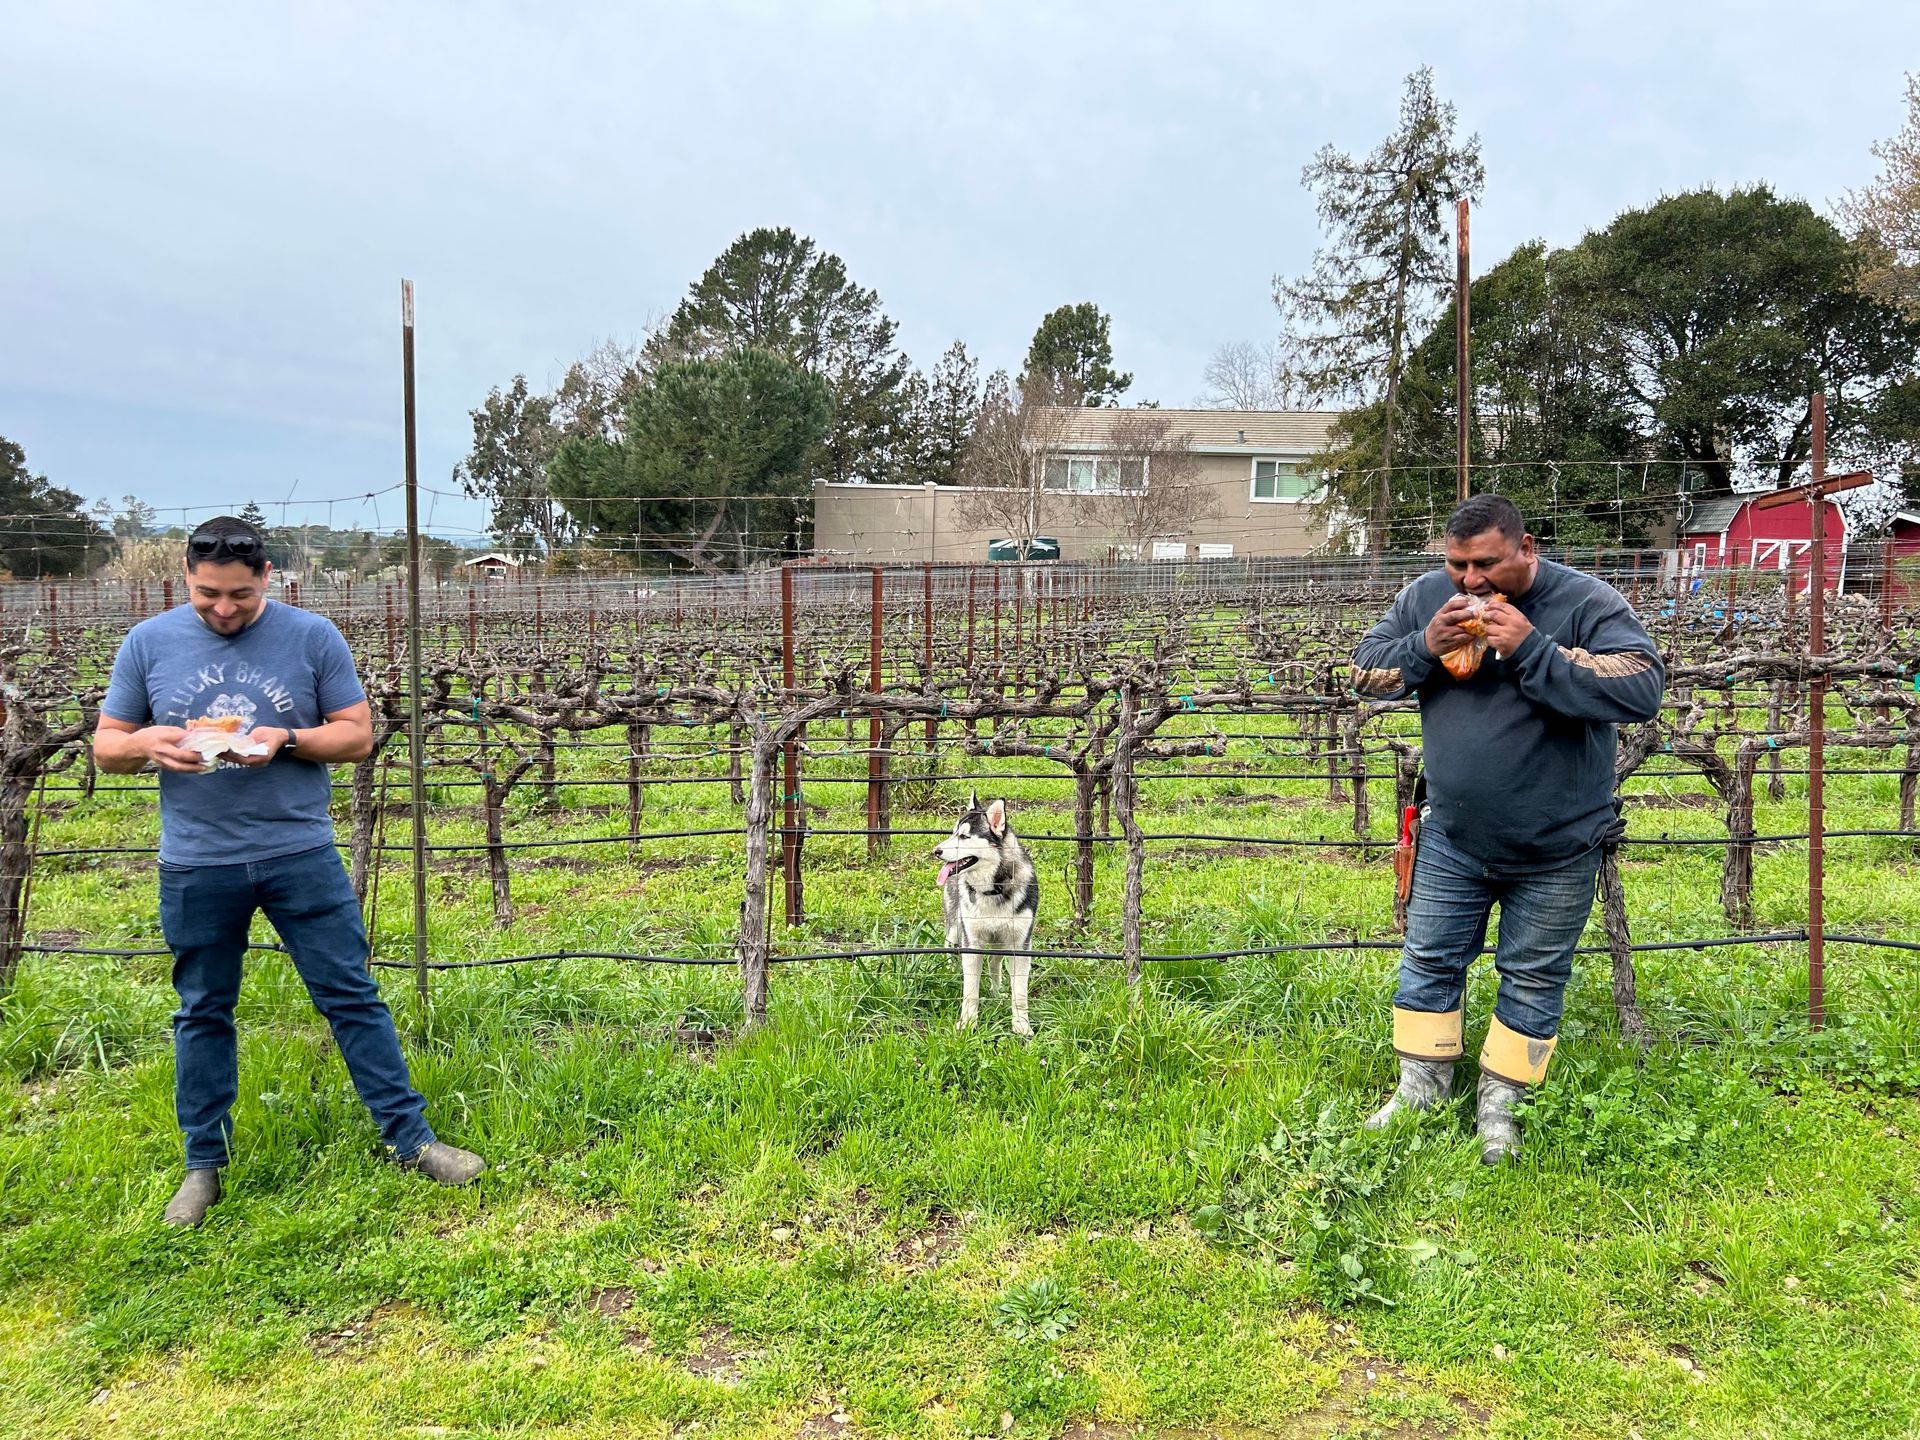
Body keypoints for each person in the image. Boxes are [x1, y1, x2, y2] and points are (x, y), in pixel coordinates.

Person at [94, 516, 485, 1226]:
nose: (222, 608)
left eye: (239, 595)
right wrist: (148, 742)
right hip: (196, 862)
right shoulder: (147, 645)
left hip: (299, 854)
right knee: (202, 1010)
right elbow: (106, 747)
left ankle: (411, 1138)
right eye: (207, 593)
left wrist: (288, 738)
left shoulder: (311, 638)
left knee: (351, 996)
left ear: (268, 577)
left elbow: (357, 734)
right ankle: (202, 1164)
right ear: (186, 576)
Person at [1350, 495, 1664, 1163]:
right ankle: (1421, 1091)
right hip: (1453, 838)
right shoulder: (1426, 598)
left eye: (1487, 563)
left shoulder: (1587, 602)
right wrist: (1424, 648)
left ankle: (1502, 1106)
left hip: (1560, 842)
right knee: (1430, 961)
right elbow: (1363, 672)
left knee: (1533, 975)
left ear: (1526, 547)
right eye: (1458, 564)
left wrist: (1533, 650)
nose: (1471, 581)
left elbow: (1641, 689)